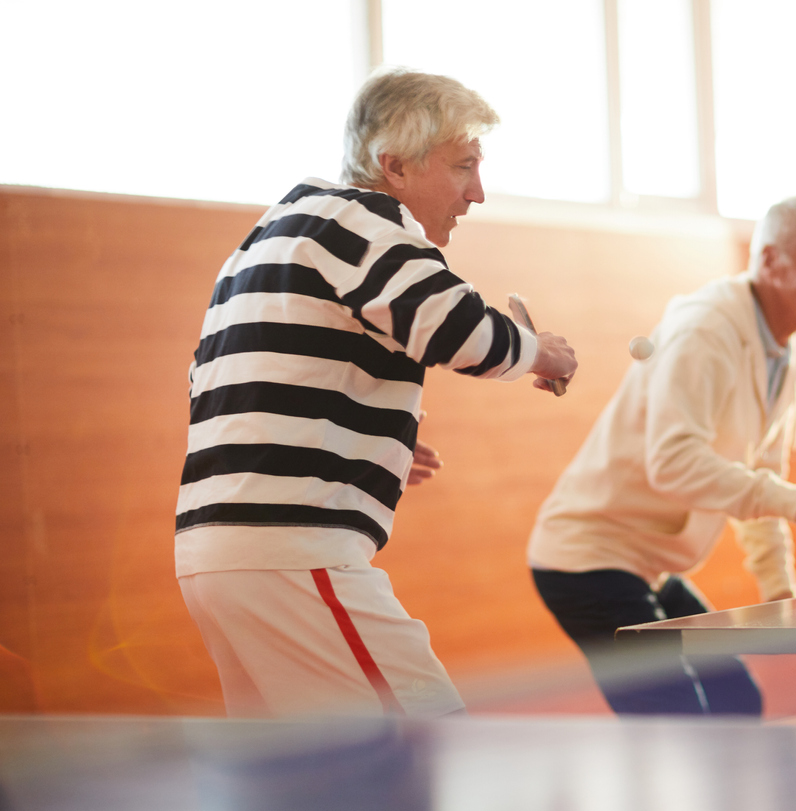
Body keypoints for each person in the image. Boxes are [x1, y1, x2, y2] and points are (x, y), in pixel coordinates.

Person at [176, 69, 576, 719]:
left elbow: (220, 381)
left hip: (216, 557)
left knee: (301, 787)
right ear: (393, 166)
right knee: (430, 743)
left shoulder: (272, 236)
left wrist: (371, 441)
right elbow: (453, 324)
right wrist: (539, 352)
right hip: (293, 550)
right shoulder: (363, 224)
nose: (477, 193)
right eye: (463, 166)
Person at [527, 196, 796, 716]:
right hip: (588, 558)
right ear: (771, 260)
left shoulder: (790, 349)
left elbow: (762, 473)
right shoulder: (706, 330)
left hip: (651, 564)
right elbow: (674, 462)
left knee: (737, 702)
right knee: (678, 725)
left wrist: (779, 589)